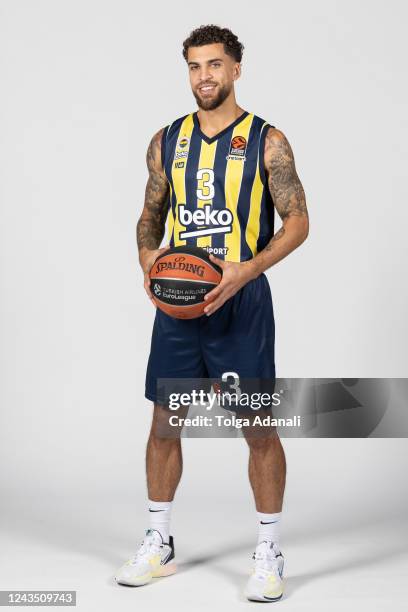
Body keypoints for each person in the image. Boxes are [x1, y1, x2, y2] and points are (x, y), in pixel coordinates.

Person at [115, 24, 309, 602]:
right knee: (164, 423)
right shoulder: (165, 142)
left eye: (216, 65)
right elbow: (149, 217)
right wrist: (152, 267)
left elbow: (298, 220)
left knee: (257, 427)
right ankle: (159, 541)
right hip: (178, 305)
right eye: (196, 66)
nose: (205, 76)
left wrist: (246, 270)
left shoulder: (268, 141)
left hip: (241, 301)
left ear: (236, 69)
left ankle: (269, 549)